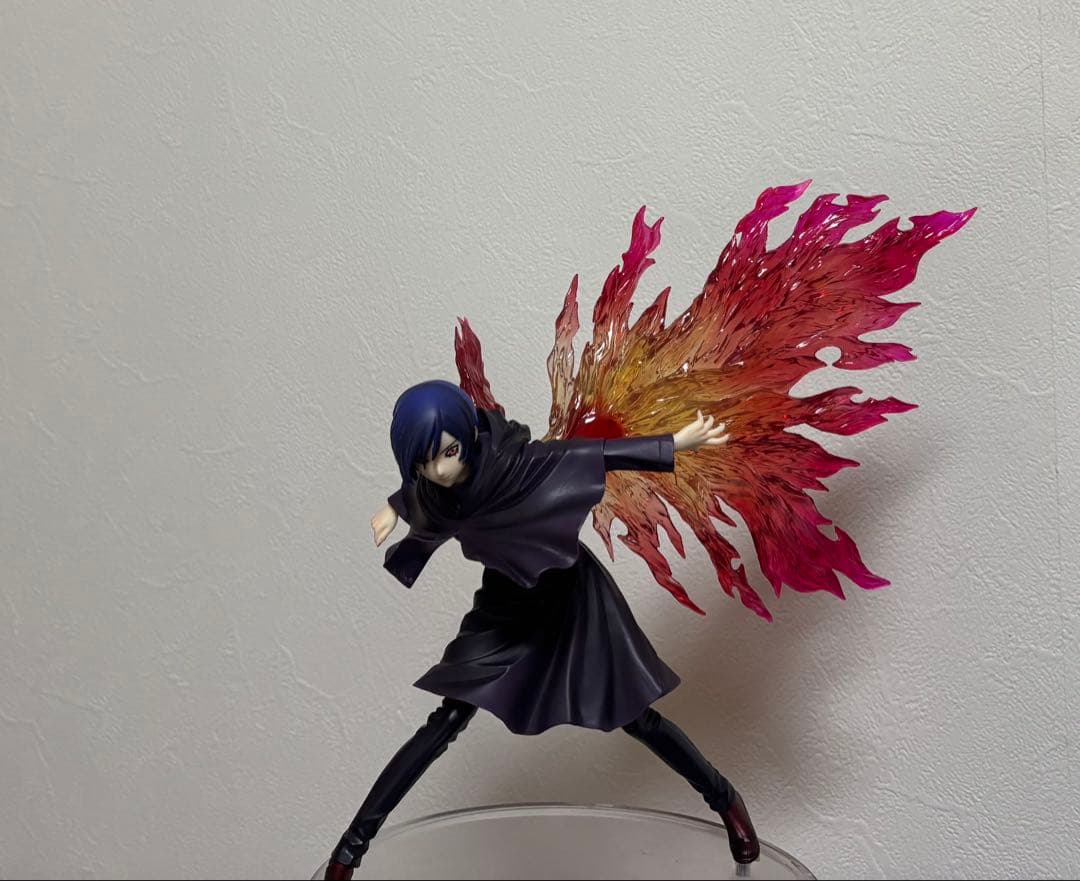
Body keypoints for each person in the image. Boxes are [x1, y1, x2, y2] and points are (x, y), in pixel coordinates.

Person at [324, 379, 758, 879]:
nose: (439, 471)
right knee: (447, 719)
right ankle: (349, 850)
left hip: (571, 594)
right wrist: (393, 507)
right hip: (507, 603)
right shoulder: (440, 494)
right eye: (424, 463)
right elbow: (418, 496)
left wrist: (674, 443)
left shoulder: (521, 464)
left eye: (447, 453)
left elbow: (597, 454)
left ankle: (726, 801)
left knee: (636, 717)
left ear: (466, 434)